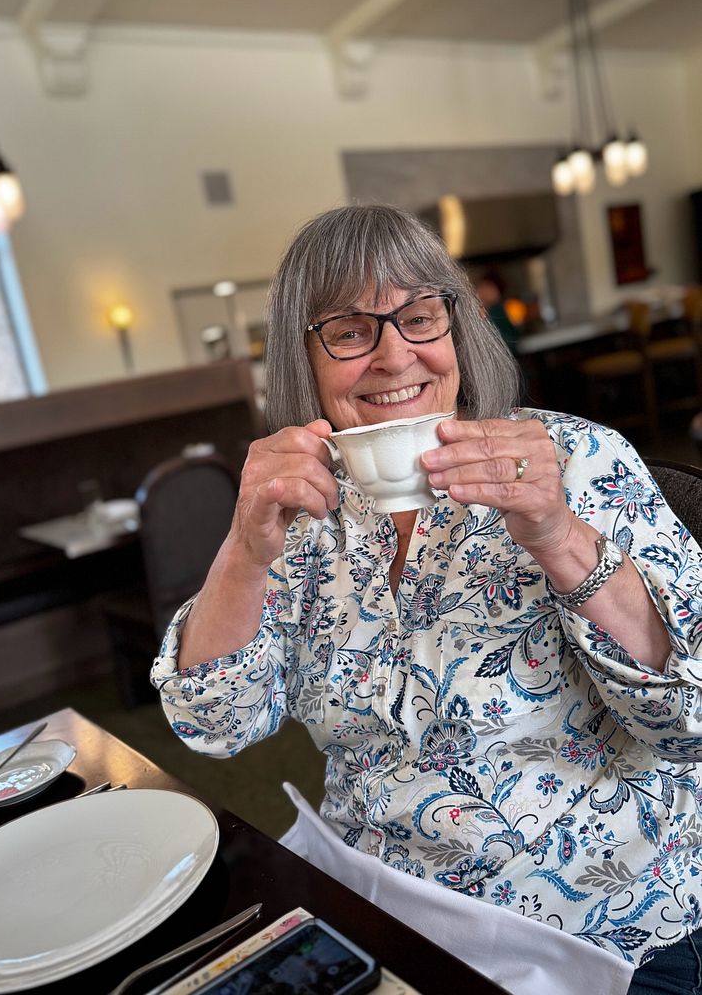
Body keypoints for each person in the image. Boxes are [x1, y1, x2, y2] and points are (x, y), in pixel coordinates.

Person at [151, 204, 702, 993]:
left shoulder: (575, 460)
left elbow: (690, 719)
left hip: (606, 934)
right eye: (349, 331)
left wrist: (558, 535)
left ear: (457, 329)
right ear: (303, 359)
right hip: (384, 919)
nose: (392, 356)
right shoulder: (300, 509)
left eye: (417, 318)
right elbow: (216, 723)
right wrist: (244, 547)